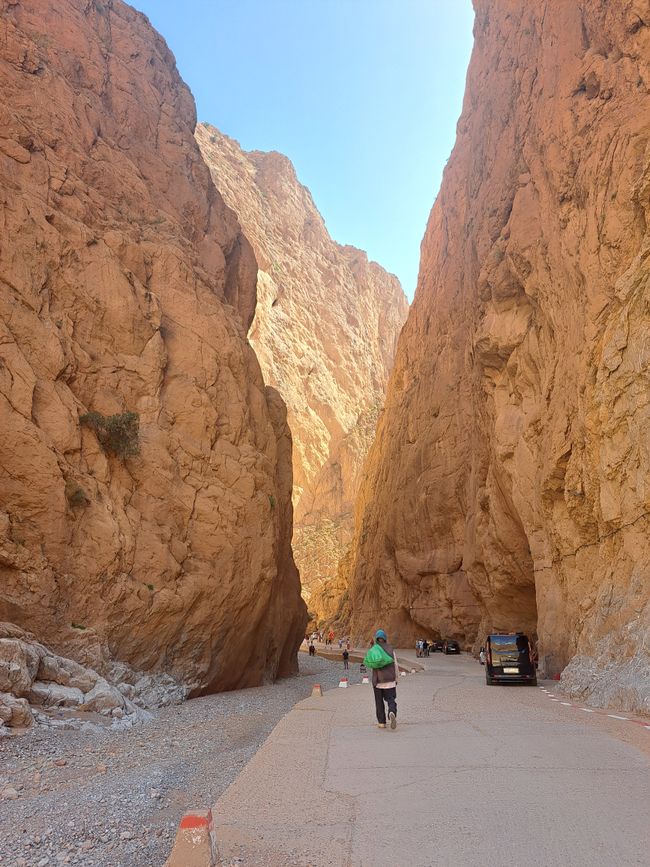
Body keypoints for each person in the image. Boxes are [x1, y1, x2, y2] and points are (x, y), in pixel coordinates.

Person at [372, 629, 398, 730]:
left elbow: (371, 665)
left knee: (379, 702)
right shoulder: (391, 649)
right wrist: (396, 678)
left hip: (378, 681)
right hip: (390, 681)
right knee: (391, 699)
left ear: (377, 639)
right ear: (385, 638)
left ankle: (382, 722)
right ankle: (392, 711)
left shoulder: (374, 649)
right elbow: (395, 665)